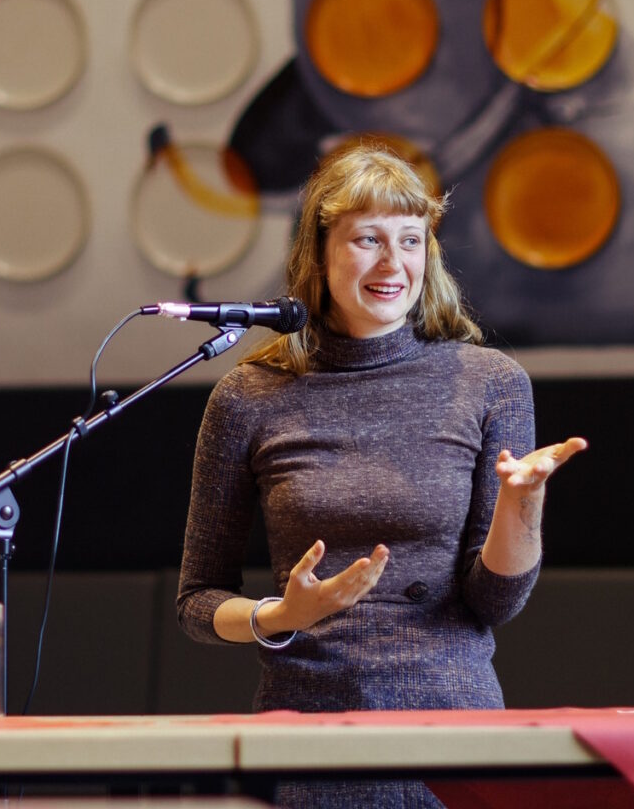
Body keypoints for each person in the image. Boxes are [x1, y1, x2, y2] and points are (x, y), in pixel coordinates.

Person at [177, 142, 587, 808]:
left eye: (411, 240)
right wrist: (281, 614)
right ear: (319, 252)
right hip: (309, 739)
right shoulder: (248, 396)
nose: (394, 264)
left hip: (455, 740)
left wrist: (522, 504)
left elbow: (495, 604)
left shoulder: (490, 383)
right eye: (368, 239)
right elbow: (197, 603)